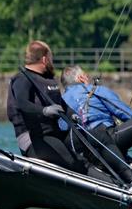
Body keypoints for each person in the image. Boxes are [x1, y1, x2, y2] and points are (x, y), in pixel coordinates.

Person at [60, 65, 132, 178]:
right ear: (81, 78)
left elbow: (62, 129)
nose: (88, 79)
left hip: (86, 154)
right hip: (109, 140)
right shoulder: (94, 90)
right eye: (86, 76)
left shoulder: (60, 101)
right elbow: (125, 114)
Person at [7, 40, 86, 174]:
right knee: (76, 162)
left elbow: (62, 105)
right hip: (33, 139)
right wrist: (45, 111)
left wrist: (73, 115)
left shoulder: (47, 79)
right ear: (44, 59)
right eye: (51, 58)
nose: (52, 61)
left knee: (91, 140)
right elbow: (22, 104)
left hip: (53, 133)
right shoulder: (22, 79)